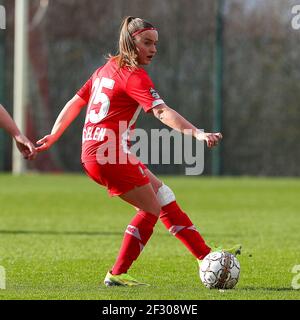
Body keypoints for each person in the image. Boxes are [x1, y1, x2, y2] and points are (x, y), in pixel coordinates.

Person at [36, 16, 241, 287]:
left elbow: (75, 102)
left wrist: (54, 134)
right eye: (146, 43)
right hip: (109, 154)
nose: (153, 49)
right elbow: (161, 111)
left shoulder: (104, 70)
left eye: (155, 43)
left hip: (96, 153)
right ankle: (117, 274)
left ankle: (204, 255)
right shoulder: (133, 75)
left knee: (162, 196)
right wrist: (197, 133)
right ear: (130, 43)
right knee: (151, 209)